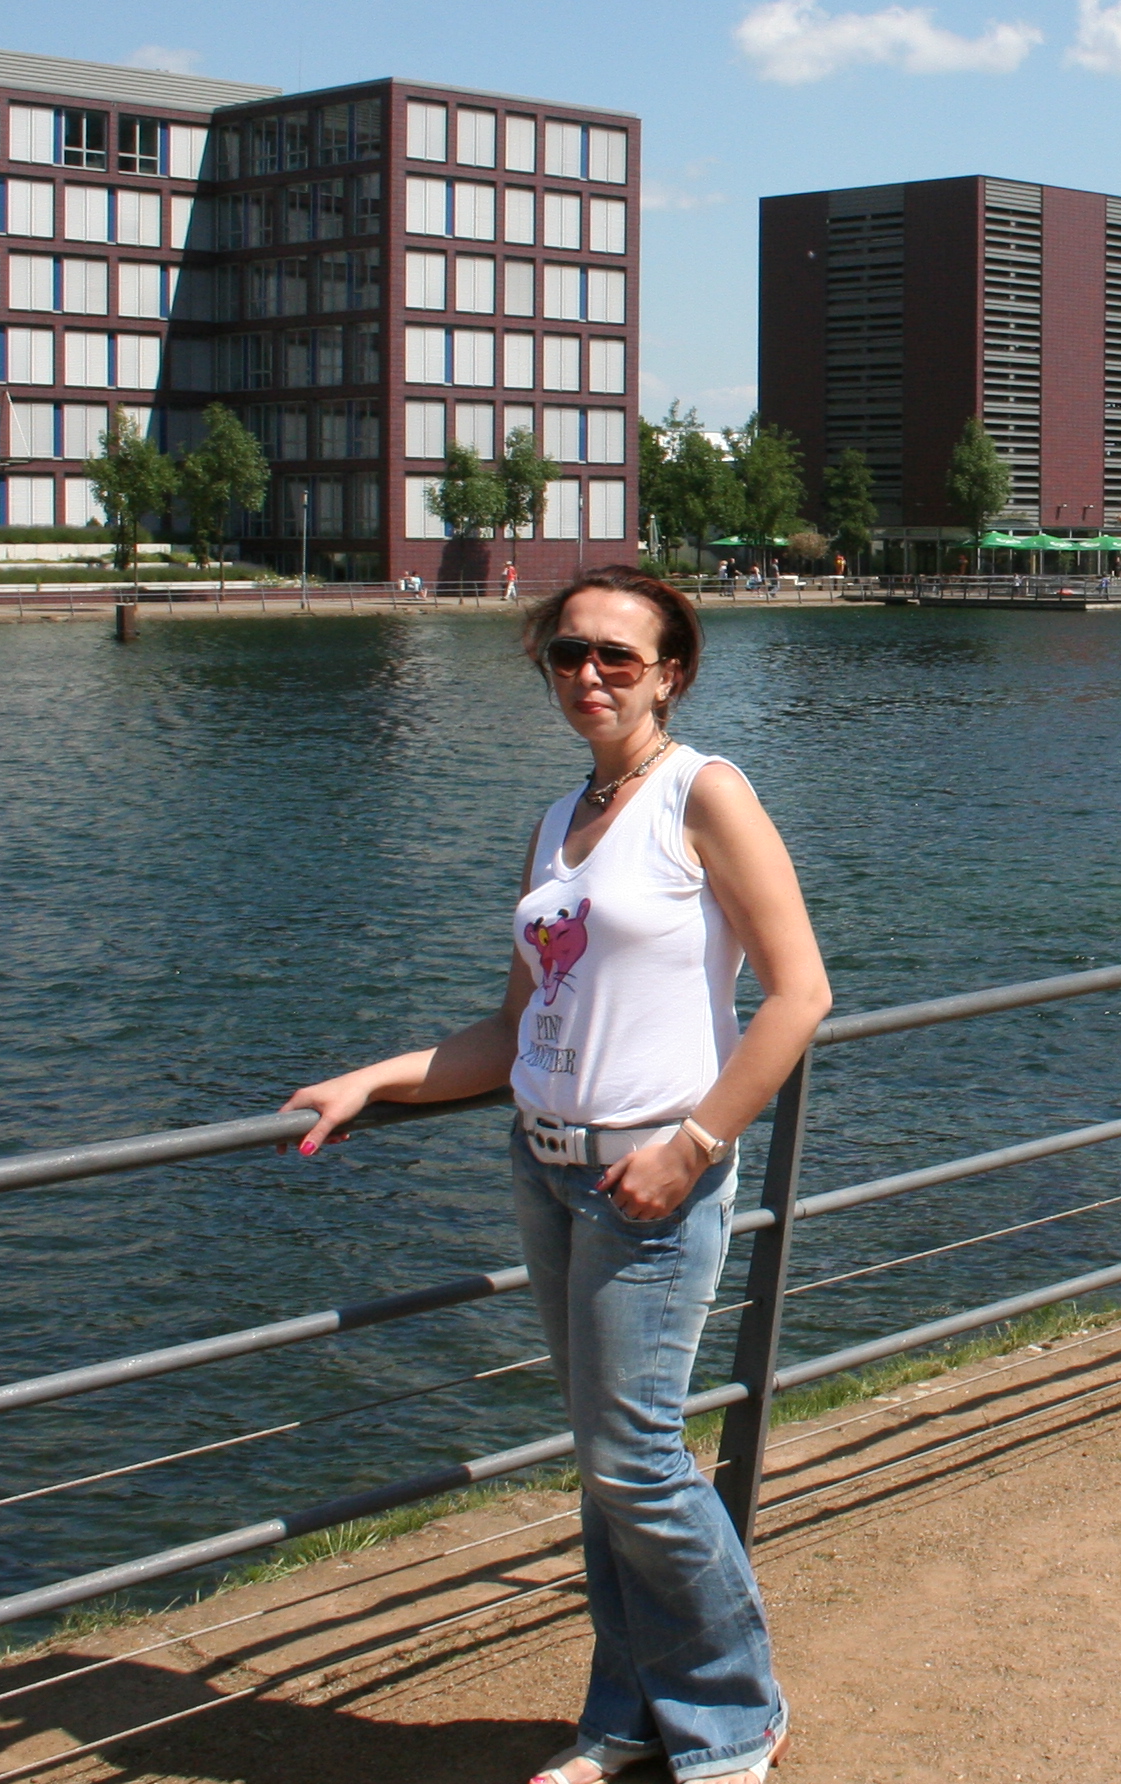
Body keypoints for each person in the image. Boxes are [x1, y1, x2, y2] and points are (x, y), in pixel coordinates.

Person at [284, 564, 825, 1783]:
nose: (588, 673)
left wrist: (694, 1147)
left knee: (636, 1461)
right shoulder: (555, 821)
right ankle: (625, 1719)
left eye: (616, 656)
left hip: (653, 1178)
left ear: (670, 674)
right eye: (567, 652)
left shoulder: (705, 793)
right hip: (545, 1169)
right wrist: (374, 1080)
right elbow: (514, 1027)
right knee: (606, 1468)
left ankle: (736, 1713)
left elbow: (800, 996)